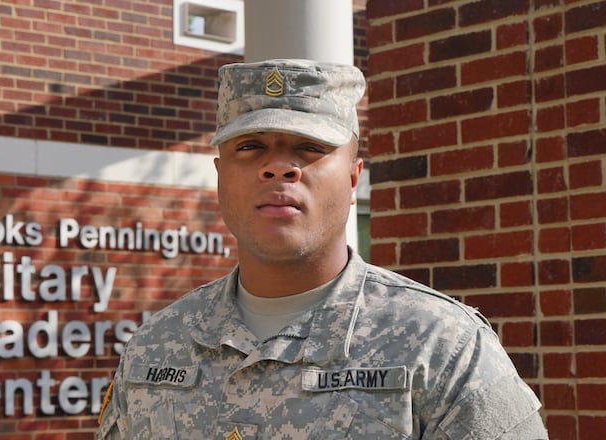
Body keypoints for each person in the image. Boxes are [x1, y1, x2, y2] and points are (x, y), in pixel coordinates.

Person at [96, 59, 548, 439]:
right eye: (250, 146)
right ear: (219, 176)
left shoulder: (442, 347)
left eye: (309, 147)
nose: (278, 167)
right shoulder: (155, 347)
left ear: (353, 178)